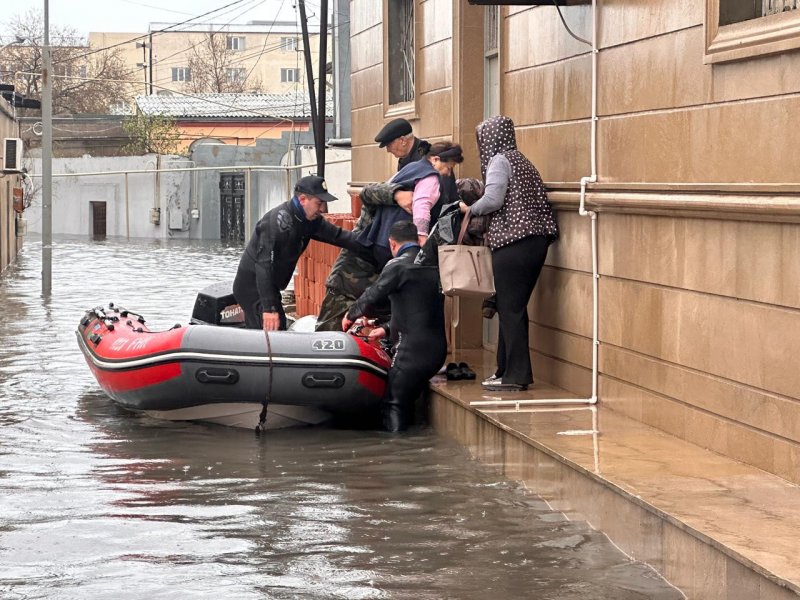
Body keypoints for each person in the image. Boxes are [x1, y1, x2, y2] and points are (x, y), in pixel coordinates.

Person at [459, 115, 559, 392]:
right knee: (511, 307)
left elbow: (493, 200)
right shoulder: (522, 160)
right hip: (535, 242)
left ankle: (515, 375)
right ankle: (504, 370)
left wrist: (469, 210)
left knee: (510, 309)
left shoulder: (499, 161)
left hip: (514, 243)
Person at [342, 221, 446, 432]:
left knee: (393, 402)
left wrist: (351, 314)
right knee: (407, 401)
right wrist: (387, 328)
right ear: (417, 240)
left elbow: (374, 294)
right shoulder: (434, 264)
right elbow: (416, 307)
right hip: (437, 352)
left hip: (412, 353)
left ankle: (399, 455)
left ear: (392, 243)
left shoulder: (397, 266)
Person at [233, 175, 369, 331]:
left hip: (271, 286)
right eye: (319, 203)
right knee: (270, 335)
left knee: (280, 330)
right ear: (303, 199)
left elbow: (339, 237)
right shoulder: (277, 223)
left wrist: (373, 245)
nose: (323, 209)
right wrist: (269, 309)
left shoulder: (310, 220)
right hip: (252, 286)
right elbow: (263, 265)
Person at [359, 142, 464, 269]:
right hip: (401, 243)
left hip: (382, 236)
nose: (448, 173)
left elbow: (388, 185)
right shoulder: (430, 177)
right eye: (449, 167)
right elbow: (422, 205)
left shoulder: (411, 167)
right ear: (436, 159)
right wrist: (422, 237)